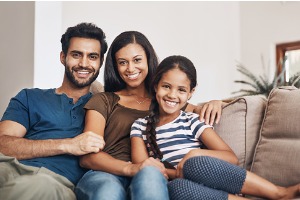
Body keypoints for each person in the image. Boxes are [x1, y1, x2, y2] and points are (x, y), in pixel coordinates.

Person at [75, 31, 224, 200]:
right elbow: (87, 156)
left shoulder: (166, 100)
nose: (130, 68)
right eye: (123, 62)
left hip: (149, 174)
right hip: (106, 173)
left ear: (148, 59)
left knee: (151, 179)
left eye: (137, 60)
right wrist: (131, 168)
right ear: (115, 66)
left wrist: (217, 102)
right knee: (108, 192)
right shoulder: (103, 100)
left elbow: (196, 106)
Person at [130, 55, 300, 200]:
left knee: (194, 164)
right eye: (166, 86)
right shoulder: (139, 127)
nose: (172, 95)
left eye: (181, 90)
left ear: (190, 93)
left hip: (207, 178)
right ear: (155, 86)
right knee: (178, 188)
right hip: (183, 190)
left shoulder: (192, 120)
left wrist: (194, 154)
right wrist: (177, 173)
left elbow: (230, 158)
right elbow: (143, 168)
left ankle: (279, 193)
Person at [0, 22, 108, 200]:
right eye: (76, 55)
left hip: (54, 182)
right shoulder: (29, 97)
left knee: (36, 186)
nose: (84, 63)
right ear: (63, 57)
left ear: (101, 62)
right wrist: (69, 145)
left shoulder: (104, 106)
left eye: (92, 57)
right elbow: (3, 143)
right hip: (7, 167)